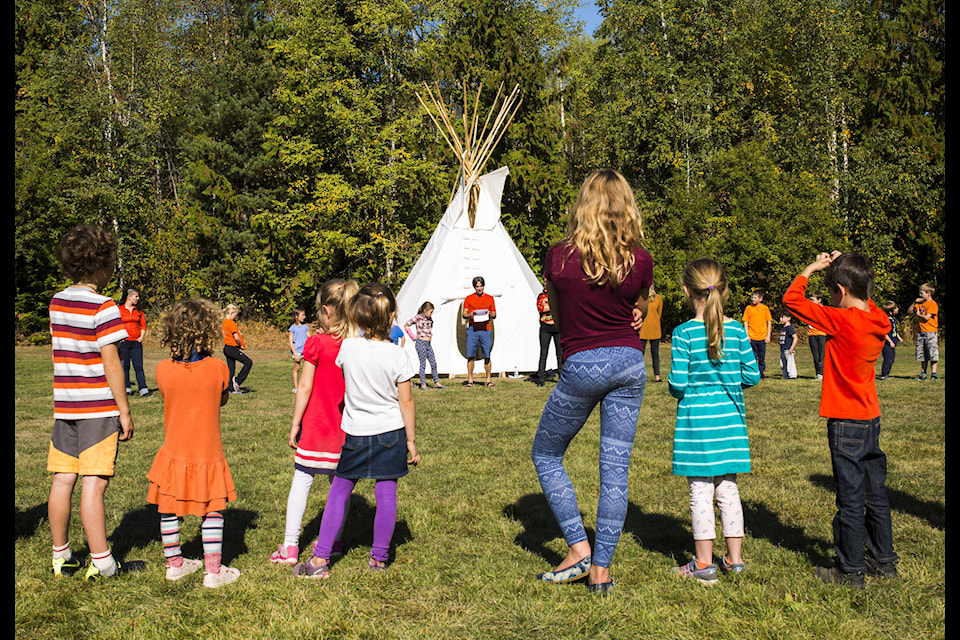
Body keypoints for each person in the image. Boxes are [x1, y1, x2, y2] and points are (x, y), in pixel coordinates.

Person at [530, 169, 653, 596]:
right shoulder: (640, 259)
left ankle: (578, 547)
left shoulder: (558, 257)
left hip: (584, 363)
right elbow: (638, 306)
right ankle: (601, 572)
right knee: (614, 472)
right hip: (630, 364)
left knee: (546, 452)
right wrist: (633, 313)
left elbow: (559, 318)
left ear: (584, 205)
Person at [783, 251, 899, 588]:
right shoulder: (878, 320)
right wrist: (844, 272)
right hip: (870, 417)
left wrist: (811, 268)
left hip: (845, 421)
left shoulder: (841, 319)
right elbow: (866, 300)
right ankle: (884, 561)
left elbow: (793, 300)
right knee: (875, 494)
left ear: (839, 290)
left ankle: (850, 571)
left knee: (849, 498)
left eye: (833, 292)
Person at [294, 282, 419, 578]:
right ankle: (378, 558)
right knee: (387, 493)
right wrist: (411, 440)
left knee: (338, 492)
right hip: (391, 433)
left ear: (357, 318)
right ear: (391, 318)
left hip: (354, 433)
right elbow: (407, 401)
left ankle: (320, 559)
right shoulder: (398, 356)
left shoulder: (347, 349)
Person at [47, 225, 146, 580]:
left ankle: (61, 557)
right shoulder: (104, 307)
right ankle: (103, 562)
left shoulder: (56, 302)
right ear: (101, 265)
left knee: (62, 479)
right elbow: (111, 363)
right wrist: (125, 409)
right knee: (94, 482)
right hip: (98, 409)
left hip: (65, 408)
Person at [669, 258, 760, 585]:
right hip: (730, 421)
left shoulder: (683, 333)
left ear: (686, 291)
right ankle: (734, 560)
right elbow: (752, 374)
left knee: (700, 492)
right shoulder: (737, 330)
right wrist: (730, 384)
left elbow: (677, 383)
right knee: (728, 490)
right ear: (724, 289)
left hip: (697, 423)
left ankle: (703, 564)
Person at [147, 299, 239, 588]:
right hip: (208, 452)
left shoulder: (163, 370)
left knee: (168, 507)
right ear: (208, 331)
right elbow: (221, 399)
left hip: (174, 450)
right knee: (212, 508)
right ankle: (213, 571)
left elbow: (169, 397)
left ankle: (174, 564)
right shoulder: (218, 369)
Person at [271, 280, 359, 565]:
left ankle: (290, 545)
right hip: (347, 428)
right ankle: (333, 540)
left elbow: (305, 386)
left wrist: (295, 422)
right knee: (340, 487)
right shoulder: (357, 346)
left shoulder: (316, 343)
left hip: (317, 425)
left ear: (326, 311)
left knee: (302, 480)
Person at [462, 276, 497, 387]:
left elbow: (494, 314)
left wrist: (487, 313)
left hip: (486, 329)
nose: (479, 288)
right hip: (473, 329)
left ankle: (488, 380)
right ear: (474, 287)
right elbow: (464, 314)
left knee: (487, 354)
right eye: (477, 286)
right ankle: (470, 380)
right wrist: (472, 314)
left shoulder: (489, 298)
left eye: (481, 286)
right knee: (470, 355)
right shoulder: (469, 298)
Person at [118, 288, 151, 397]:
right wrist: (119, 338)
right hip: (124, 342)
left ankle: (143, 389)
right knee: (125, 366)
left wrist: (141, 337)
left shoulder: (138, 311)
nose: (138, 298)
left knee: (138, 366)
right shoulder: (119, 310)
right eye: (136, 296)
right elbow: (116, 324)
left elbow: (143, 324)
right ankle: (127, 388)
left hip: (136, 342)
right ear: (129, 297)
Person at [405, 302, 445, 390]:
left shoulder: (429, 319)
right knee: (423, 363)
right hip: (421, 343)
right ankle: (423, 384)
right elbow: (407, 324)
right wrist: (412, 336)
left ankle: (436, 382)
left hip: (428, 344)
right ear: (425, 311)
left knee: (433, 363)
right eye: (430, 312)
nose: (431, 314)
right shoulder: (418, 318)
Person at [906, 283, 939, 380]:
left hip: (930, 332)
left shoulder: (933, 304)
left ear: (928, 293)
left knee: (932, 353)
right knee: (922, 354)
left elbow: (926, 318)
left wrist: (919, 315)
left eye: (922, 293)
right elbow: (909, 311)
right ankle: (923, 373)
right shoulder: (919, 303)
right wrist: (914, 302)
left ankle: (934, 374)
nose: (920, 295)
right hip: (921, 332)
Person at [534, 287, 562, 386]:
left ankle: (561, 377)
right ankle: (541, 378)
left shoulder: (558, 294)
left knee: (560, 354)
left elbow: (562, 307)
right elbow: (541, 308)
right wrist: (553, 306)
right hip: (545, 327)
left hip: (557, 327)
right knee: (543, 353)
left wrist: (549, 305)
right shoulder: (541, 296)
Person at [222, 304, 252, 393]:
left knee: (231, 369)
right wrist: (240, 345)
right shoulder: (231, 323)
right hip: (232, 348)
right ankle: (238, 381)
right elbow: (236, 337)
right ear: (231, 313)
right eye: (235, 314)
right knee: (248, 362)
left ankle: (230, 389)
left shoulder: (224, 322)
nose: (236, 317)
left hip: (226, 348)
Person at [742, 290, 772, 378]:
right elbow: (746, 322)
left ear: (761, 299)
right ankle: (753, 374)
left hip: (762, 337)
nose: (753, 299)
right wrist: (747, 335)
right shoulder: (748, 308)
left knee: (762, 357)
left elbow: (769, 322)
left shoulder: (765, 308)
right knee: (752, 357)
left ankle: (762, 373)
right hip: (752, 337)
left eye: (755, 298)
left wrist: (768, 336)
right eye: (752, 297)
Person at [638, 283, 663, 382]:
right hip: (650, 328)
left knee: (643, 354)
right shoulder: (657, 299)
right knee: (654, 354)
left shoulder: (643, 298)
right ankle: (657, 376)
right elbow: (659, 313)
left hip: (647, 329)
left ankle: (641, 375)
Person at [806, 291, 827, 380]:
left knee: (822, 355)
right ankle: (818, 373)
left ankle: (823, 373)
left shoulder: (823, 309)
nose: (811, 301)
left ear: (819, 300)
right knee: (815, 355)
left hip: (821, 334)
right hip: (811, 334)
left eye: (813, 300)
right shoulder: (809, 309)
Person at [288, 308, 310, 393]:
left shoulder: (305, 327)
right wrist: (295, 354)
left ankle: (305, 384)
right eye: (302, 315)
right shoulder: (292, 328)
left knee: (306, 368)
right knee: (297, 368)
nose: (304, 317)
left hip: (305, 351)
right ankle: (296, 387)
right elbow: (291, 342)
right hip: (297, 351)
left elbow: (310, 338)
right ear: (296, 316)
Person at [879, 301, 902, 380]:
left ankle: (887, 374)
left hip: (893, 342)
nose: (897, 309)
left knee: (891, 359)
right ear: (890, 312)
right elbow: (885, 333)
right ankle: (884, 375)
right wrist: (890, 342)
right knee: (888, 359)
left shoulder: (893, 319)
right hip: (887, 344)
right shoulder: (887, 321)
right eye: (895, 308)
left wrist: (898, 337)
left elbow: (894, 330)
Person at [778, 310, 798, 380]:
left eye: (783, 317)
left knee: (790, 362)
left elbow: (795, 338)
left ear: (788, 318)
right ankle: (786, 375)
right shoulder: (784, 328)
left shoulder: (789, 328)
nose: (781, 319)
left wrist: (791, 348)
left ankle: (792, 375)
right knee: (783, 363)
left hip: (788, 349)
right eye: (780, 317)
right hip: (783, 349)